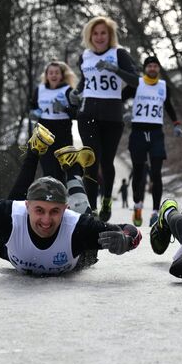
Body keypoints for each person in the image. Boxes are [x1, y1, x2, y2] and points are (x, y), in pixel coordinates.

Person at [0, 124, 142, 276]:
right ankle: (36, 151)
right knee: (11, 206)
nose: (46, 220)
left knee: (85, 213)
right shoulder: (10, 214)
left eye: (55, 212)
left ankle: (72, 167)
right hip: (17, 222)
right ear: (27, 206)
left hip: (77, 255)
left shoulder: (77, 226)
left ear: (64, 210)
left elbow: (132, 231)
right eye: (39, 210)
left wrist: (125, 241)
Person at [70, 16, 139, 222]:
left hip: (112, 116)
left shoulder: (119, 54)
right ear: (90, 36)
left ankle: (107, 200)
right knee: (90, 160)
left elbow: (136, 81)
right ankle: (91, 210)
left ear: (110, 36)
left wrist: (115, 70)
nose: (99, 37)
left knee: (106, 161)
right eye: (95, 33)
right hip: (88, 114)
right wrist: (76, 92)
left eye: (103, 33)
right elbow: (85, 80)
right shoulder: (85, 56)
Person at [122, 56, 182, 227]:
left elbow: (168, 106)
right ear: (145, 68)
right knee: (139, 171)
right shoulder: (137, 84)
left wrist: (176, 124)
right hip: (138, 132)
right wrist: (124, 113)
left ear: (159, 68)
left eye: (155, 65)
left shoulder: (164, 87)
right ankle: (137, 205)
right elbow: (120, 99)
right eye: (149, 65)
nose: (152, 68)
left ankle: (155, 212)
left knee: (156, 173)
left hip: (156, 132)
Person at [28, 60, 78, 182]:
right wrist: (34, 113)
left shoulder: (68, 90)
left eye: (57, 73)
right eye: (51, 73)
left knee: (62, 168)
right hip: (44, 132)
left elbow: (76, 113)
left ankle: (62, 196)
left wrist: (64, 108)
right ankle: (50, 196)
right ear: (46, 75)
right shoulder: (39, 90)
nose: (54, 75)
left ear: (62, 75)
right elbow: (32, 108)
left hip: (63, 131)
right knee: (48, 169)